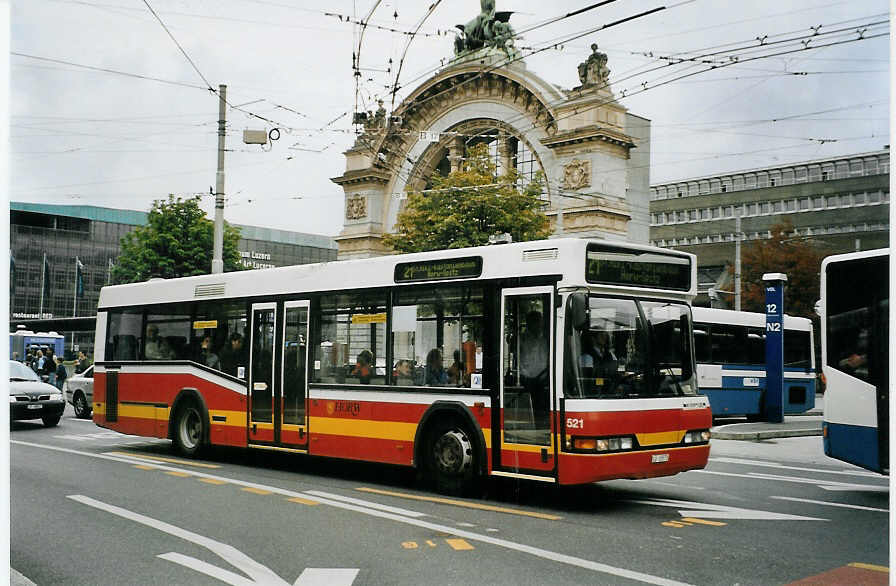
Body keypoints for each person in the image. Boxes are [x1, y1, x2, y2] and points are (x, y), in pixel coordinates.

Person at [519, 311, 549, 411]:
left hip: (543, 379)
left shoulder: (544, 339)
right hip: (527, 380)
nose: (540, 325)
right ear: (529, 323)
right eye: (537, 322)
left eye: (540, 322)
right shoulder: (522, 339)